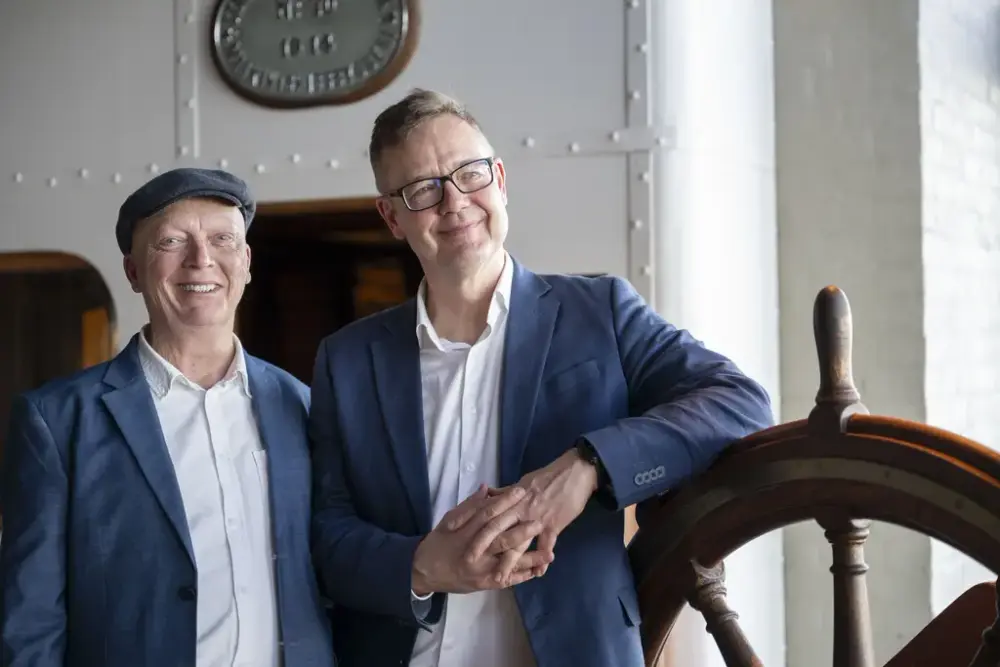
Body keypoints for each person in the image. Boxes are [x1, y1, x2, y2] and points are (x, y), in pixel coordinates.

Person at [308, 89, 774, 667]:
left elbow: (741, 402)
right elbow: (327, 535)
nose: (454, 202)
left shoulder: (600, 310)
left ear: (500, 180)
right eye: (423, 189)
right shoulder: (347, 359)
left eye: (469, 174)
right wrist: (424, 566)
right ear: (393, 218)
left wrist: (589, 466)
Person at [0, 168, 335, 667]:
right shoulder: (56, 420)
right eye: (172, 241)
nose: (202, 260)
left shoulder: (304, 405)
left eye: (222, 239)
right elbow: (30, 623)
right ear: (133, 271)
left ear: (245, 262)